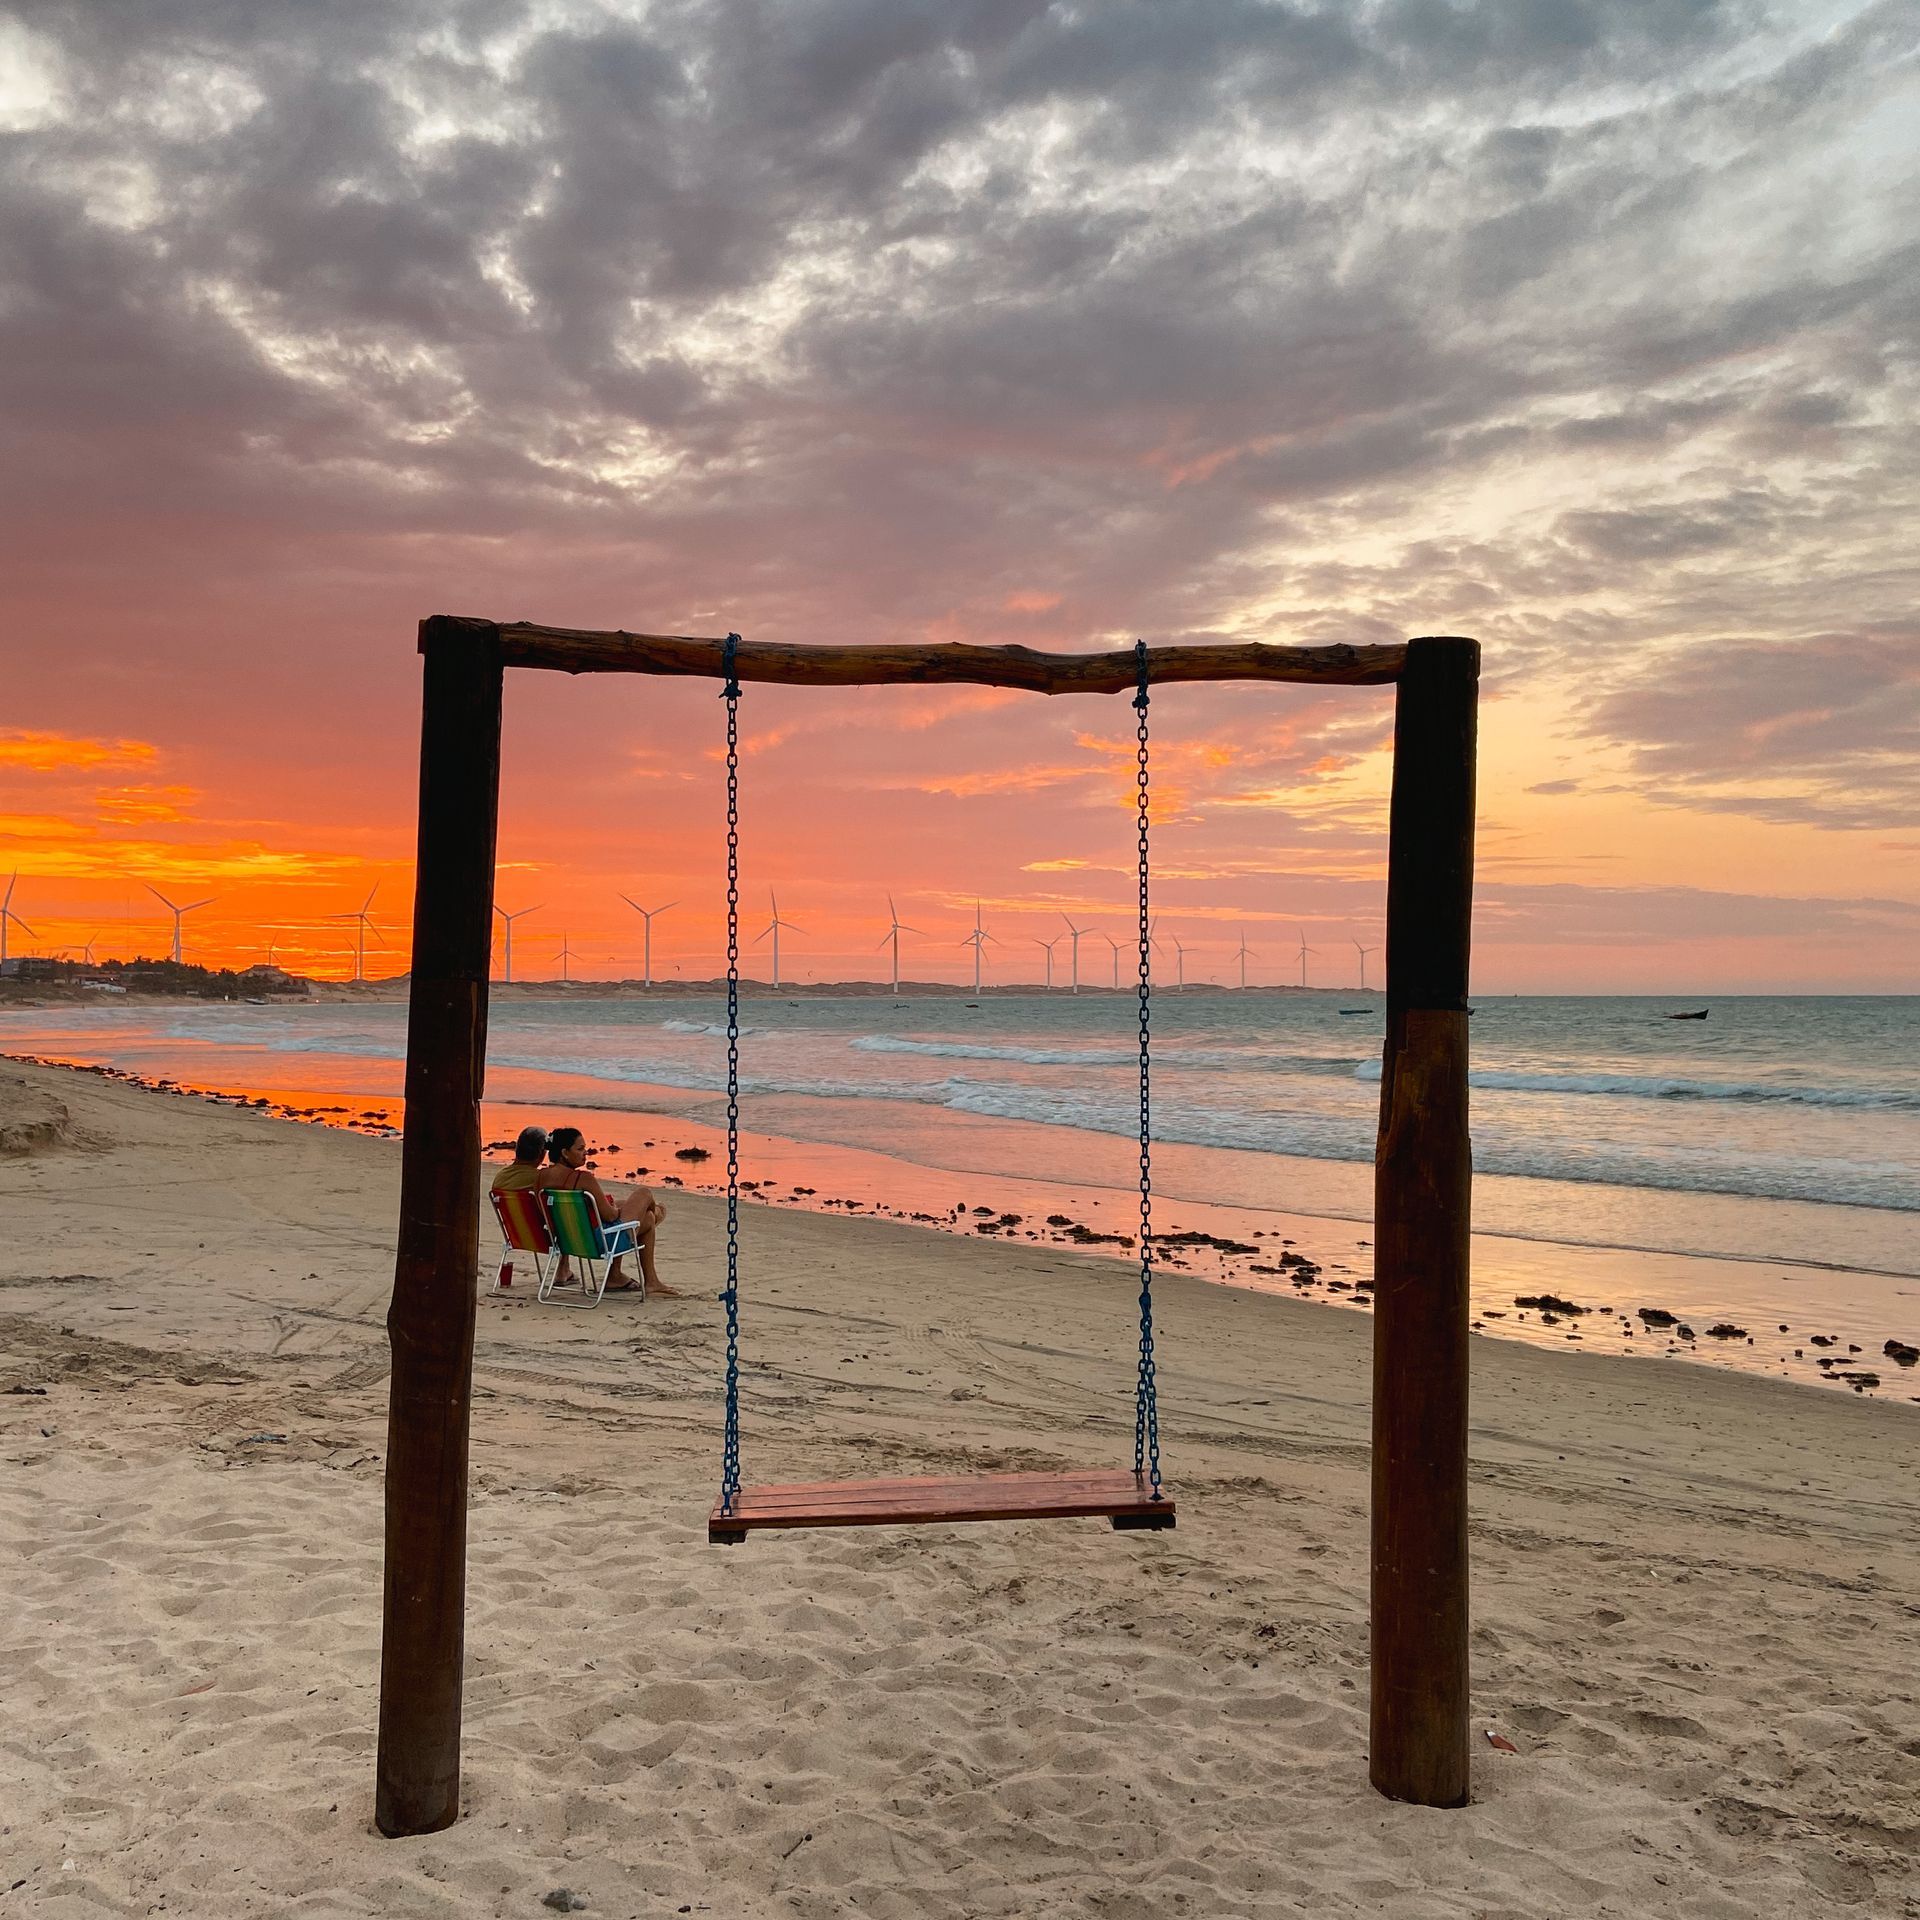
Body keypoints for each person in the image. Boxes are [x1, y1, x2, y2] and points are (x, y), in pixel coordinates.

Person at [541, 1125, 677, 1296]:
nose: (586, 1152)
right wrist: (615, 1209)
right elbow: (610, 1216)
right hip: (600, 1243)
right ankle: (657, 1216)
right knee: (644, 1194)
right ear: (564, 1153)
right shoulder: (583, 1179)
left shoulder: (541, 1177)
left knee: (645, 1218)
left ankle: (631, 1277)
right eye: (580, 1149)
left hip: (566, 1241)